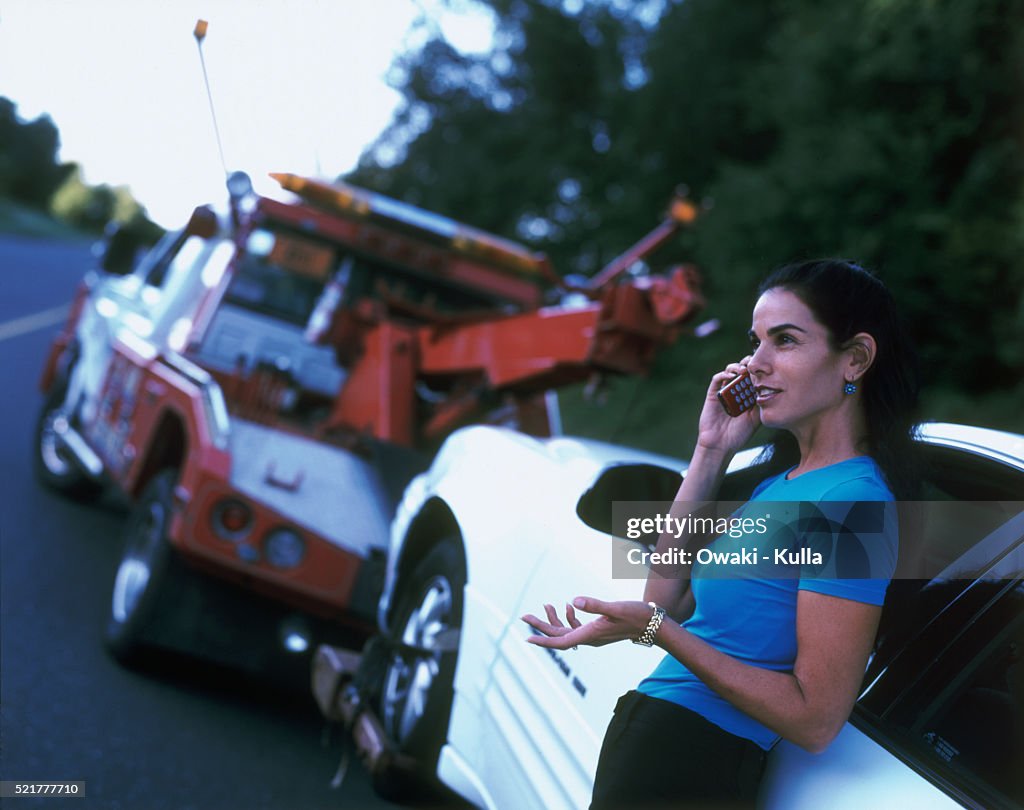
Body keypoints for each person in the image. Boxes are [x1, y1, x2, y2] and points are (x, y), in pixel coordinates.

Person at [522, 259, 920, 809]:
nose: (754, 364)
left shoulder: (854, 503)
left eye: (784, 340)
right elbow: (664, 597)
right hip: (653, 741)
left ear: (854, 358)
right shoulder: (782, 485)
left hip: (695, 763)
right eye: (754, 342)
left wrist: (660, 632)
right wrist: (710, 451)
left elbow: (815, 718)